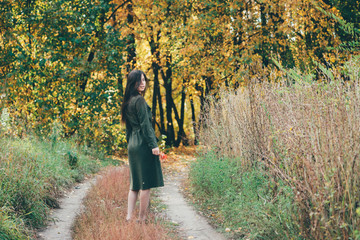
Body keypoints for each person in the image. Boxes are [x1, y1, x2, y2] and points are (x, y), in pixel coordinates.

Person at [121, 69, 164, 222]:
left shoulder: (127, 101)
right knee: (145, 184)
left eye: (144, 80)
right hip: (142, 144)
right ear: (133, 83)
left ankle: (129, 217)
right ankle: (141, 218)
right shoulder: (139, 100)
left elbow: (128, 129)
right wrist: (154, 145)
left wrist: (129, 145)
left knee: (135, 184)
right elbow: (146, 126)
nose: (142, 83)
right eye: (139, 81)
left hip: (133, 144)